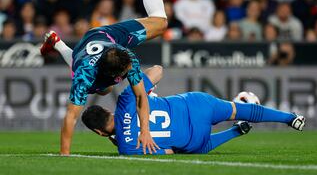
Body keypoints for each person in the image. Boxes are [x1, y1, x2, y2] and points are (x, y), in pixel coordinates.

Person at [39, 0, 175, 155]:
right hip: (87, 51)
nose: (131, 69)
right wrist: (64, 155)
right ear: (114, 75)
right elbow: (71, 116)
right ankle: (59, 45)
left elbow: (140, 98)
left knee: (160, 23)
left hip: (107, 35)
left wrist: (145, 131)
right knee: (103, 90)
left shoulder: (127, 59)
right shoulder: (85, 75)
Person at [81, 66, 305, 155]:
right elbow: (158, 70)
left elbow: (168, 153)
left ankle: (235, 132)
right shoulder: (126, 99)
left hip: (194, 137)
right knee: (238, 110)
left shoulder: (127, 149)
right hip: (195, 104)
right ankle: (290, 118)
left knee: (188, 147)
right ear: (107, 110)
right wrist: (140, 86)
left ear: (100, 133)